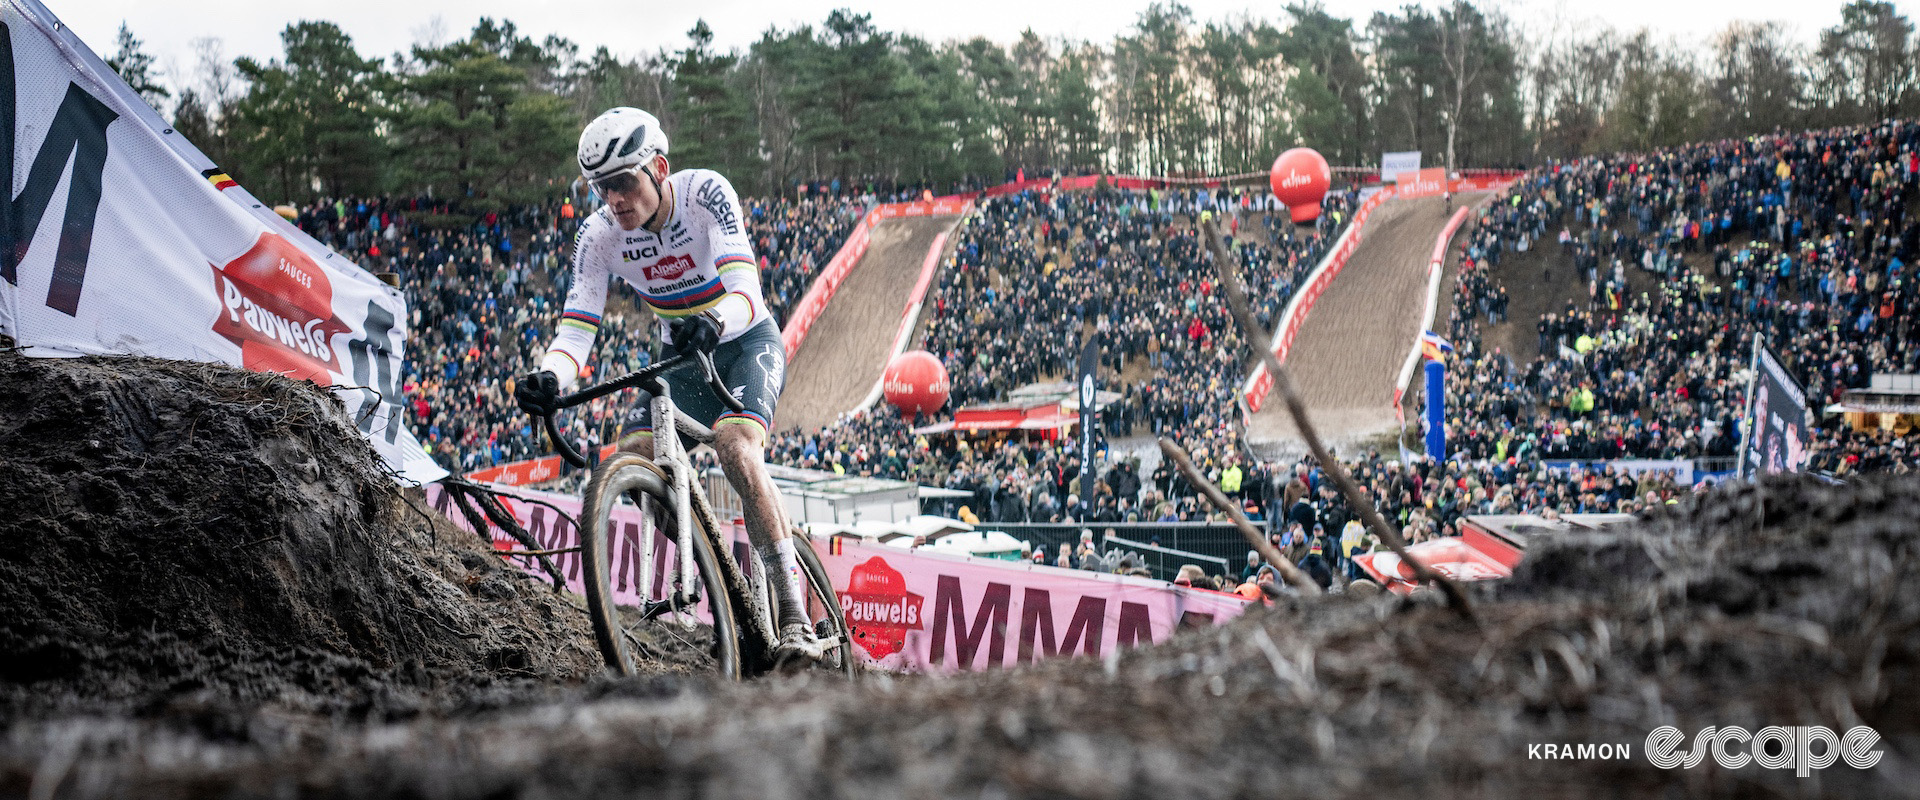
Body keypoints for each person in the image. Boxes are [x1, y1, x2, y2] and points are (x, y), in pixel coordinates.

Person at [516, 107, 822, 662]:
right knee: (631, 454)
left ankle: (796, 616)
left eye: (623, 183)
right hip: (682, 354)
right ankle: (711, 563)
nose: (613, 200)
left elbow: (748, 292)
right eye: (600, 189)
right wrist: (551, 376)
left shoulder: (706, 193)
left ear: (658, 168)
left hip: (743, 340)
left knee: (735, 447)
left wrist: (715, 320)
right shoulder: (599, 236)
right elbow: (577, 326)